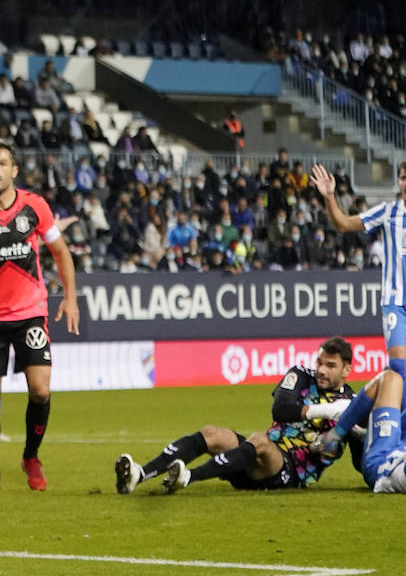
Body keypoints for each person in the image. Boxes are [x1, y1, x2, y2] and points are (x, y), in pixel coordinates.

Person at [0, 140, 80, 493]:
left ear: (14, 170)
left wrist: (70, 297)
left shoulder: (35, 207)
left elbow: (60, 251)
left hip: (30, 313)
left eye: (2, 163)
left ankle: (30, 456)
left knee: (40, 389)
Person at [116, 337, 358, 494]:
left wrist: (329, 444)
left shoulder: (353, 405)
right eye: (320, 362)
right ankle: (139, 474)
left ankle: (189, 477)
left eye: (331, 365)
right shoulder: (302, 375)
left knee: (260, 441)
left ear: (347, 369)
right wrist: (325, 410)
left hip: (288, 473)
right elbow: (280, 410)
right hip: (256, 454)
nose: (322, 370)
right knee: (212, 434)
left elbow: (351, 451)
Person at [312, 163, 406, 389]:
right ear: (398, 182)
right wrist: (329, 197)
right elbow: (343, 224)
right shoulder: (388, 212)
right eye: (403, 177)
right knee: (400, 368)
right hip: (396, 302)